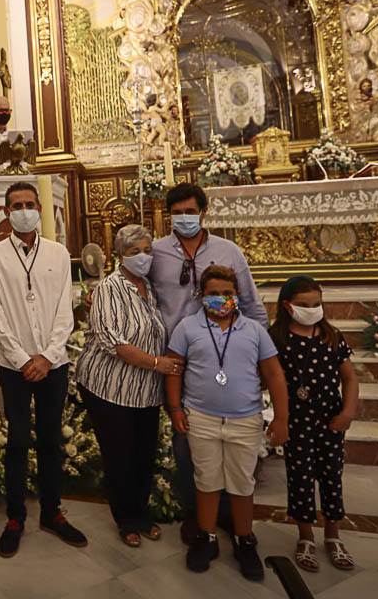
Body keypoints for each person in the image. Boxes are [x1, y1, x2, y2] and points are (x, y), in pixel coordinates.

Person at [149, 182, 268, 542]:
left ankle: (230, 514)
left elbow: (252, 304)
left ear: (203, 212)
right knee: (187, 442)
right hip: (178, 359)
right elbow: (136, 292)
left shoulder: (228, 251)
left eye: (190, 211)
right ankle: (195, 514)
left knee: (232, 442)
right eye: (177, 212)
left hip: (227, 358)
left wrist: (258, 358)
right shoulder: (155, 252)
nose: (184, 218)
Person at [165, 265, 289, 581]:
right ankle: (206, 537)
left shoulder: (254, 330)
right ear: (201, 296)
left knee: (241, 482)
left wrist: (282, 417)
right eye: (213, 294)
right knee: (206, 479)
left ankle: (244, 539)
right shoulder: (187, 327)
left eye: (227, 294)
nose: (220, 299)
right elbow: (175, 370)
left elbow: (274, 374)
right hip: (201, 418)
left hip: (245, 418)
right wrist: (176, 409)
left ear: (237, 295)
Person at [0, 181, 86, 557]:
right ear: (6, 212)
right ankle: (15, 517)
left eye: (29, 203)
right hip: (14, 366)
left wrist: (46, 356)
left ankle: (52, 512)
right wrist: (24, 359)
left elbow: (65, 308)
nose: (23, 209)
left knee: (50, 440)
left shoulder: (58, 254)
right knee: (18, 442)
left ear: (39, 208)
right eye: (16, 204)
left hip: (53, 364)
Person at [74, 224, 182, 547]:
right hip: (110, 387)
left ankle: (141, 512)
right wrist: (156, 363)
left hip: (145, 390)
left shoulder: (150, 287)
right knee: (120, 455)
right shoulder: (109, 288)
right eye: (134, 252)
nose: (143, 257)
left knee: (144, 454)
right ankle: (126, 519)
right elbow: (113, 342)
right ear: (119, 256)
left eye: (148, 251)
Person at [268, 276, 359, 572]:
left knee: (332, 476)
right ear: (287, 305)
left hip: (330, 421)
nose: (312, 309)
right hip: (297, 423)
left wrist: (347, 412)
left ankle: (333, 535)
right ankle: (305, 536)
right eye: (304, 305)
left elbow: (350, 377)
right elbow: (270, 377)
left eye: (317, 304)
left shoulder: (331, 335)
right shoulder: (278, 338)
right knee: (301, 479)